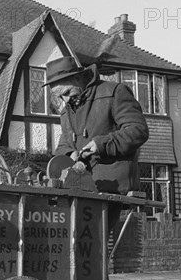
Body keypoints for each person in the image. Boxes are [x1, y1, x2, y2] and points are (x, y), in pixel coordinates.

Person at [45, 56, 149, 197]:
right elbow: (63, 145)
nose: (66, 100)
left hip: (115, 191)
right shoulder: (66, 111)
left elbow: (138, 130)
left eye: (68, 92)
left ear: (78, 78)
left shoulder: (115, 93)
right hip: (80, 190)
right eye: (60, 97)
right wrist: (70, 154)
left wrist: (100, 145)